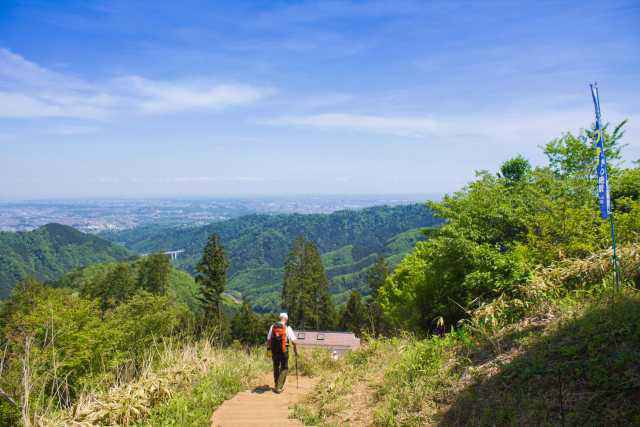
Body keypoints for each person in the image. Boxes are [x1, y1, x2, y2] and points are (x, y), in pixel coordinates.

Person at [266, 312, 297, 393]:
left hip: (274, 350)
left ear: (280, 318)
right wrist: (295, 350)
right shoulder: (287, 328)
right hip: (284, 350)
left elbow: (269, 339)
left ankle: (276, 384)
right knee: (284, 367)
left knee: (276, 366)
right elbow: (294, 341)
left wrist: (269, 349)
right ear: (286, 319)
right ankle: (279, 387)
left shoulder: (273, 327)